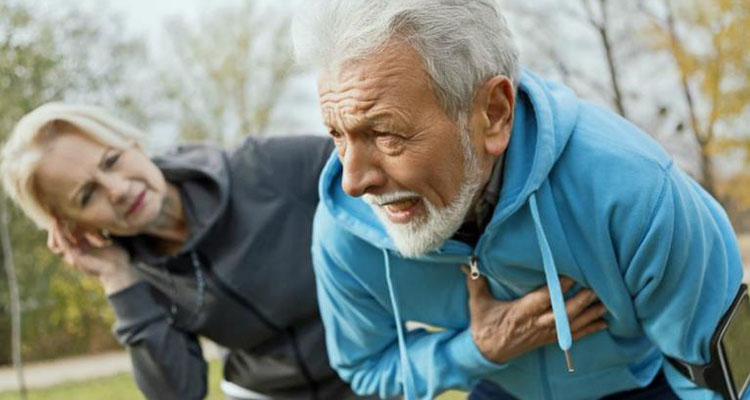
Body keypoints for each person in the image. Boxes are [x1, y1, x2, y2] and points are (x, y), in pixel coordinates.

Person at [292, 1, 745, 399]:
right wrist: (476, 349)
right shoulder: (345, 227)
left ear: (494, 114)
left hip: (646, 387)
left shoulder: (636, 192)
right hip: (498, 387)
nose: (353, 182)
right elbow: (365, 367)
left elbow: (725, 377)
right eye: (337, 135)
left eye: (386, 134)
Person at [0, 102, 375, 400]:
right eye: (87, 195)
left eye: (111, 160)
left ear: (132, 144)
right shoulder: (137, 275)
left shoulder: (263, 167)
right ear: (72, 226)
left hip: (373, 368)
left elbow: (381, 177)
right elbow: (179, 393)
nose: (116, 189)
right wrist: (118, 279)